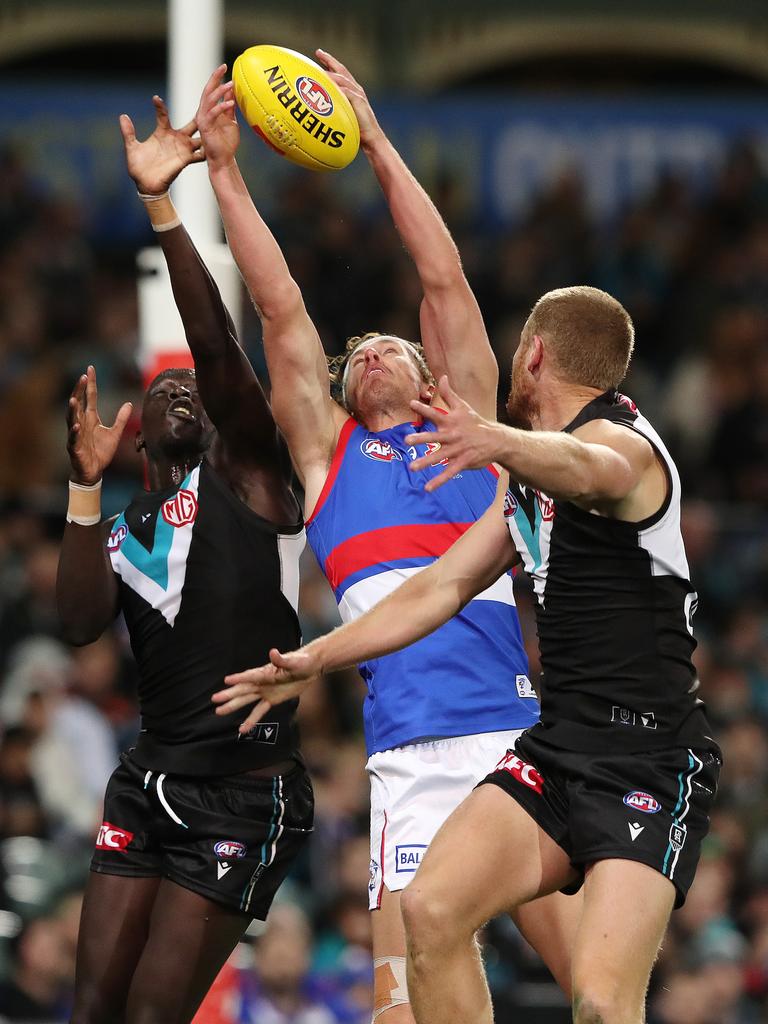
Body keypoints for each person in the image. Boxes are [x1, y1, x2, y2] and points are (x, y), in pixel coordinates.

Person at [217, 285, 722, 1024]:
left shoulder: (624, 441)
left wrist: (496, 440)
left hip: (647, 756)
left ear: (535, 356)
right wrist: (315, 658)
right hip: (557, 746)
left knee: (602, 1004)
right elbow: (443, 585)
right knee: (431, 910)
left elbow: (592, 470)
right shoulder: (523, 487)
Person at [196, 57, 578, 1021]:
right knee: (401, 1010)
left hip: (513, 736)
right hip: (406, 761)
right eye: (353, 352)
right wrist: (228, 175)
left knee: (597, 988)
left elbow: (440, 272)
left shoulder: (471, 426)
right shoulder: (329, 458)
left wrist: (373, 142)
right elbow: (279, 308)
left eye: (390, 344)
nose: (367, 350)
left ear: (428, 365)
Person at [56, 97, 312, 1024]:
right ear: (129, 442)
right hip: (148, 781)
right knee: (94, 1012)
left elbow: (210, 346)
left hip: (244, 798)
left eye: (189, 392)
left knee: (152, 1016)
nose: (176, 391)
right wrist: (82, 492)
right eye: (156, 390)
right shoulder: (122, 530)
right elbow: (77, 622)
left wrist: (166, 208)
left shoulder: (249, 479)